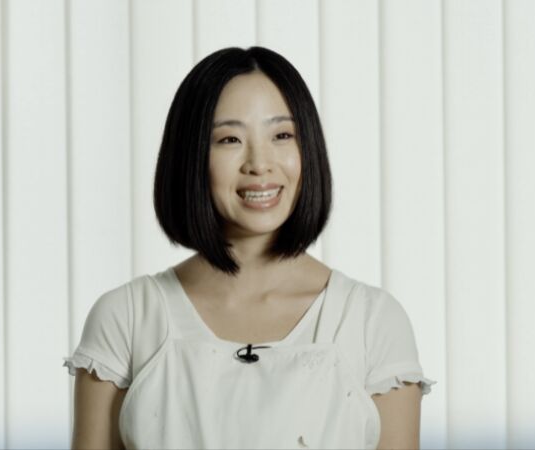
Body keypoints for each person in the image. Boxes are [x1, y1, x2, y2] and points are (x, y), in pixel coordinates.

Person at [63, 46, 435, 450]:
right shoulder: (127, 318)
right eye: (230, 139)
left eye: (282, 135)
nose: (259, 163)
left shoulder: (372, 321)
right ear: (190, 157)